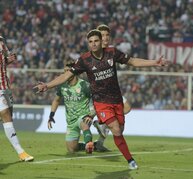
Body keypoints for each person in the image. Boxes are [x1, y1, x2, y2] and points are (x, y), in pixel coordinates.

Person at [34, 29, 169, 170]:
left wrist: (155, 62)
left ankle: (100, 124)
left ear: (101, 42)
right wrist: (47, 85)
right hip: (101, 102)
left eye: (96, 41)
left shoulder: (112, 53)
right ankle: (130, 161)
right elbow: (66, 76)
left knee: (120, 130)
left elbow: (133, 61)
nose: (93, 44)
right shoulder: (84, 59)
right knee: (116, 129)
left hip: (116, 99)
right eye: (90, 42)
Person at [93, 24, 132, 151]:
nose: (105, 38)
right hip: (100, 94)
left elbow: (130, 61)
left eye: (107, 35)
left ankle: (100, 134)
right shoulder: (92, 54)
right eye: (102, 35)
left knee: (126, 109)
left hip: (113, 92)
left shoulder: (112, 52)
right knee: (110, 120)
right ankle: (100, 123)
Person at [48, 61, 96, 153]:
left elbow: (96, 100)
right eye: (64, 71)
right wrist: (51, 115)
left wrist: (91, 114)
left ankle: (89, 143)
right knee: (71, 149)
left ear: (74, 72)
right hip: (70, 120)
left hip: (84, 116)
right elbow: (56, 100)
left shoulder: (84, 85)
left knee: (84, 124)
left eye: (67, 71)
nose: (64, 74)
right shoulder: (62, 85)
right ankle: (90, 145)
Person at [0, 36, 34, 162]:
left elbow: (4, 60)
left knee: (8, 117)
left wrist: (9, 59)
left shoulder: (2, 40)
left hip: (5, 85)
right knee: (6, 116)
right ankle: (21, 152)